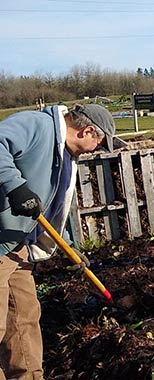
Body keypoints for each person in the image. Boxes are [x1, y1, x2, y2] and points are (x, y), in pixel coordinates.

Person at [0, 103, 115, 379]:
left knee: (24, 320)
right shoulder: (37, 126)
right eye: (98, 143)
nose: (96, 150)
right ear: (86, 131)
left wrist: (66, 248)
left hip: (17, 247)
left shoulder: (64, 156)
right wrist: (14, 185)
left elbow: (45, 209)